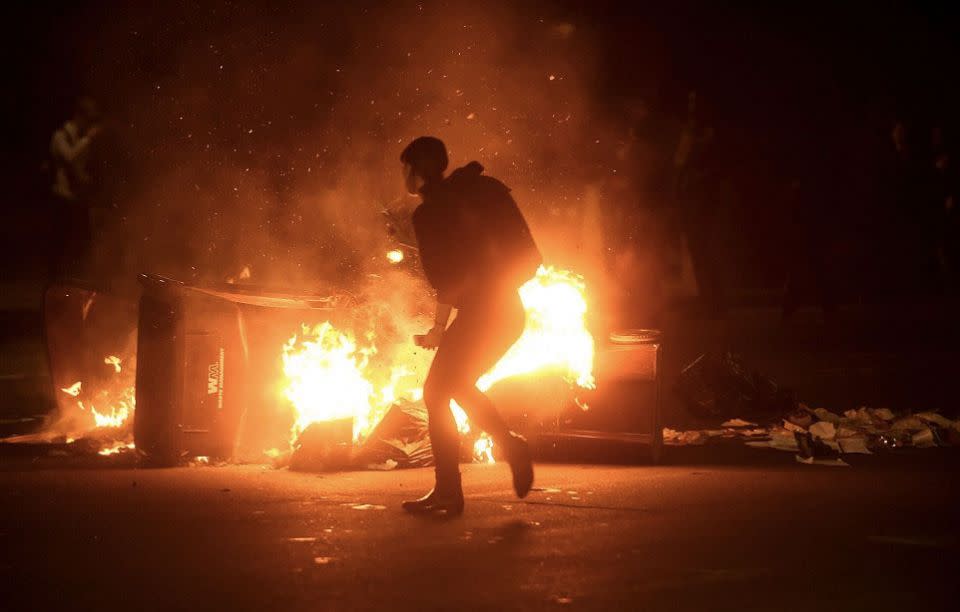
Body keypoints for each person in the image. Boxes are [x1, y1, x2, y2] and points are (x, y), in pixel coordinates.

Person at [400, 136, 539, 516]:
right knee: (452, 386)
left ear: (416, 172)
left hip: (483, 314)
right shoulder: (481, 190)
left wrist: (438, 328)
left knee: (436, 392)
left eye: (406, 169)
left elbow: (451, 279)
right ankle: (507, 450)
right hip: (508, 310)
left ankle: (453, 489)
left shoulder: (430, 214)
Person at [47, 97, 102, 279]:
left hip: (76, 200)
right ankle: (54, 286)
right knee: (60, 248)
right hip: (61, 200)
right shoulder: (60, 136)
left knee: (80, 247)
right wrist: (88, 139)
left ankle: (74, 285)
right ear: (79, 116)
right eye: (88, 120)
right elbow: (70, 158)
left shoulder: (77, 138)